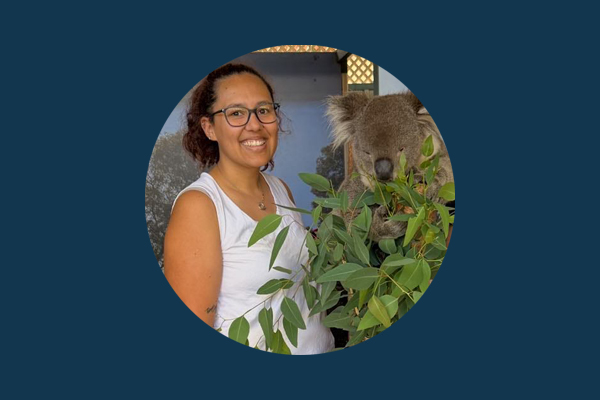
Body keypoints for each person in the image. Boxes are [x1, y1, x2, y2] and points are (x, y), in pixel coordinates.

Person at [164, 63, 334, 354]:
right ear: (209, 128)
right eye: (236, 113)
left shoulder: (280, 189)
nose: (254, 125)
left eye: (263, 110)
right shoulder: (200, 206)